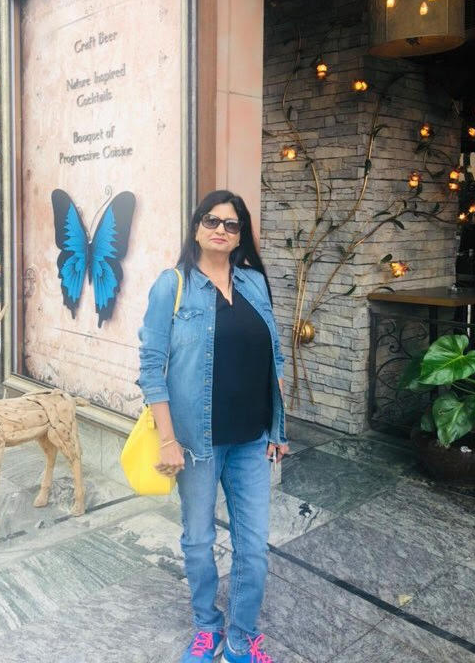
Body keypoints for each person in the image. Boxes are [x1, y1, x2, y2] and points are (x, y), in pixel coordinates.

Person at [138, 190, 289, 663]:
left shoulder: (254, 284)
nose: (221, 230)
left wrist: (279, 429)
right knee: (199, 542)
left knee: (254, 548)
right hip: (195, 444)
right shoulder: (172, 286)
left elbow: (275, 359)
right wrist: (167, 439)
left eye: (231, 224)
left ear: (240, 235)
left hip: (251, 441)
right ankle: (207, 626)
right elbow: (151, 366)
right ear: (197, 227)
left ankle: (241, 636)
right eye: (212, 221)